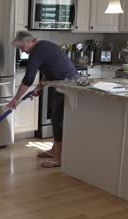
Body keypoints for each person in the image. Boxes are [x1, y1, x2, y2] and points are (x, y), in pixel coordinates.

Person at [7, 31, 78, 168]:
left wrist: (15, 99)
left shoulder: (37, 51)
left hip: (68, 85)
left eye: (22, 47)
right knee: (55, 117)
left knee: (57, 119)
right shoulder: (43, 46)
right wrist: (39, 87)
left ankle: (58, 159)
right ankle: (54, 151)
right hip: (63, 83)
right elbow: (49, 70)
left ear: (29, 42)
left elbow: (28, 79)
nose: (23, 51)